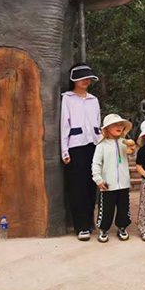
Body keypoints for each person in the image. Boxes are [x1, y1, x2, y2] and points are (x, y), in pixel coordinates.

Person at [60, 63, 101, 241]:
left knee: (91, 185)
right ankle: (81, 226)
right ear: (74, 79)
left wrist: (102, 148)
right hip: (75, 146)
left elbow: (98, 126)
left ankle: (89, 221)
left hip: (93, 145)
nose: (86, 81)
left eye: (88, 78)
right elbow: (64, 125)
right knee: (77, 187)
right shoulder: (67, 98)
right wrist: (64, 151)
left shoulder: (94, 100)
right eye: (82, 77)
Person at [91, 113, 136, 243]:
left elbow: (131, 157)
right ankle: (103, 229)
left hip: (123, 184)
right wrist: (98, 179)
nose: (119, 126)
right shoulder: (102, 146)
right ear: (106, 129)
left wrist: (132, 151)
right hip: (107, 184)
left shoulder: (124, 143)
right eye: (115, 124)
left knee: (123, 208)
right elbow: (96, 163)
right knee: (106, 209)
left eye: (121, 125)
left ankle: (122, 227)